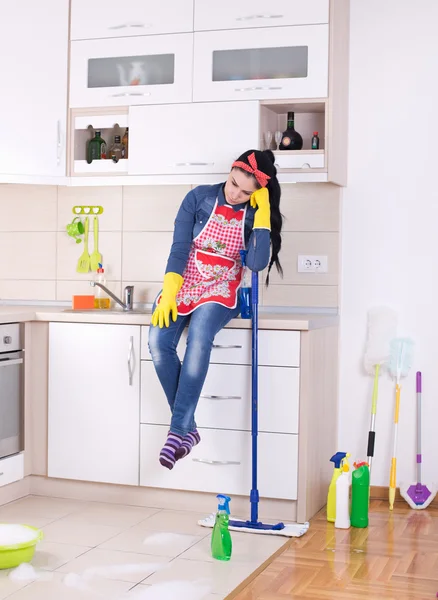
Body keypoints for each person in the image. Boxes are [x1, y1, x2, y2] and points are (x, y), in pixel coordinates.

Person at [148, 149, 283, 470]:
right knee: (157, 343)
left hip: (223, 287)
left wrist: (262, 216)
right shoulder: (198, 198)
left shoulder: (253, 213)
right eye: (234, 182)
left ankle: (178, 430)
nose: (235, 193)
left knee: (199, 335)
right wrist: (169, 291)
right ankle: (189, 428)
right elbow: (180, 247)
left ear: (258, 193)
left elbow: (256, 263)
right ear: (231, 170)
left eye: (245, 191)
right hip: (185, 280)